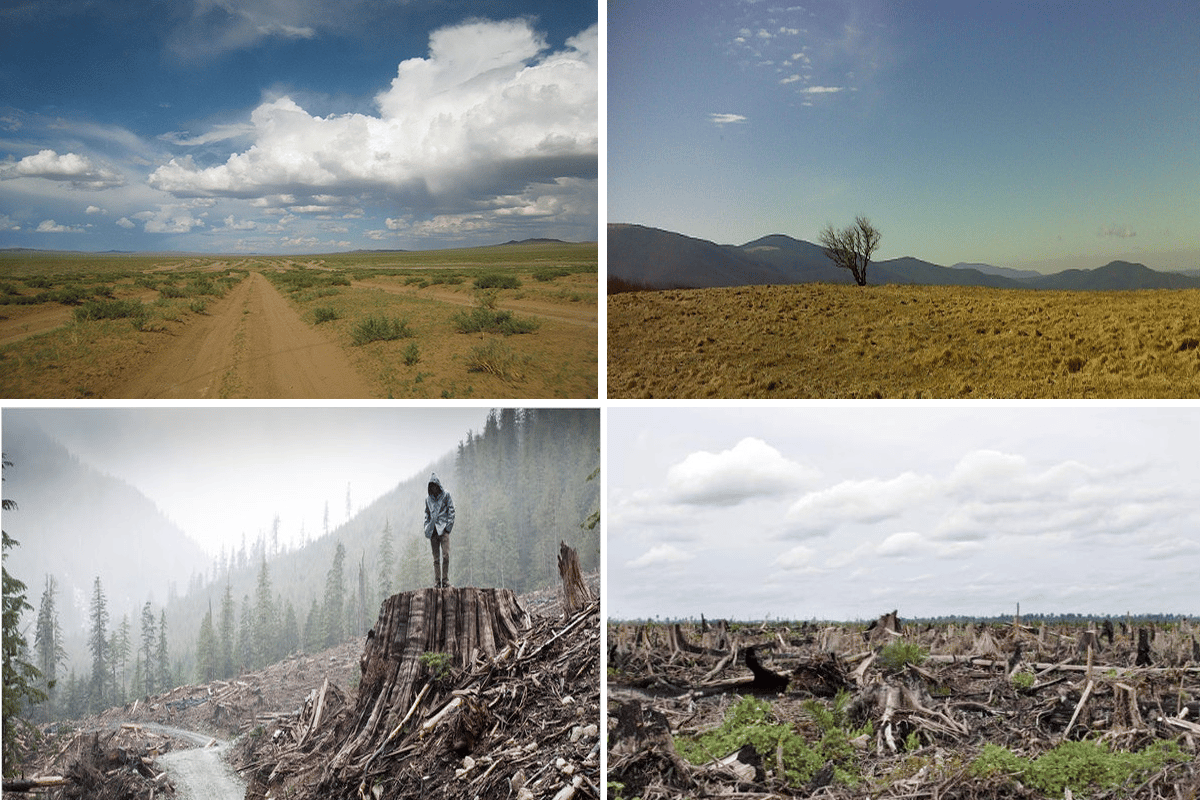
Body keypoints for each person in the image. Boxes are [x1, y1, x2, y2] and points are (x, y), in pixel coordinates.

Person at [424, 472, 455, 588]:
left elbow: (451, 511)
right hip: (433, 531)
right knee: (436, 558)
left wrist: (448, 527)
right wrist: (426, 527)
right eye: (431, 485)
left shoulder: (446, 495)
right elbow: (426, 514)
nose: (433, 487)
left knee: (446, 555)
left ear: (438, 485)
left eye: (435, 485)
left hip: (444, 530)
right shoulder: (428, 499)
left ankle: (445, 580)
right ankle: (437, 582)